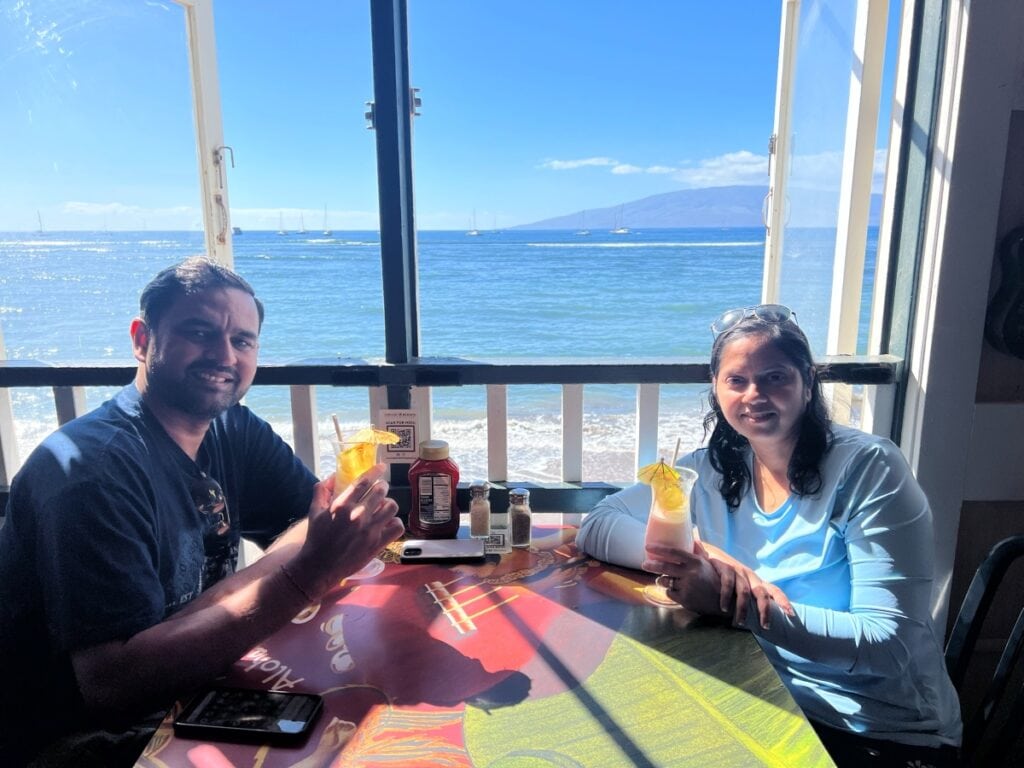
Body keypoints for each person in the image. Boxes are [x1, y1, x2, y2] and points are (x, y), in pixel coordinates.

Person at [0, 257, 405, 766]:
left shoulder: (231, 425)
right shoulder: (92, 475)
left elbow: (308, 519)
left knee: (387, 697)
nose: (224, 355)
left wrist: (255, 584)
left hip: (189, 692)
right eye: (199, 332)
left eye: (243, 341)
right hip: (78, 739)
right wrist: (304, 575)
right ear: (142, 339)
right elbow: (111, 687)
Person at [576, 304, 962, 768]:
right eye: (736, 381)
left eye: (775, 377)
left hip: (875, 732)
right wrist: (706, 558)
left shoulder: (869, 469)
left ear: (807, 381)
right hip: (766, 697)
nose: (755, 394)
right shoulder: (712, 468)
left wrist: (734, 605)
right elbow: (597, 525)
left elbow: (889, 646)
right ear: (716, 390)